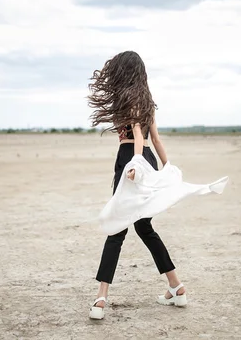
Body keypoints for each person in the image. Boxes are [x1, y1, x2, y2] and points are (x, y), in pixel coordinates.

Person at [86, 51, 187, 320]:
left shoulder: (127, 99)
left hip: (131, 160)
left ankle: (101, 298)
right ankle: (176, 286)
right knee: (144, 227)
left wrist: (136, 165)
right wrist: (168, 168)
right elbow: (157, 140)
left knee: (118, 229)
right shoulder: (147, 102)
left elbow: (140, 136)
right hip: (146, 160)